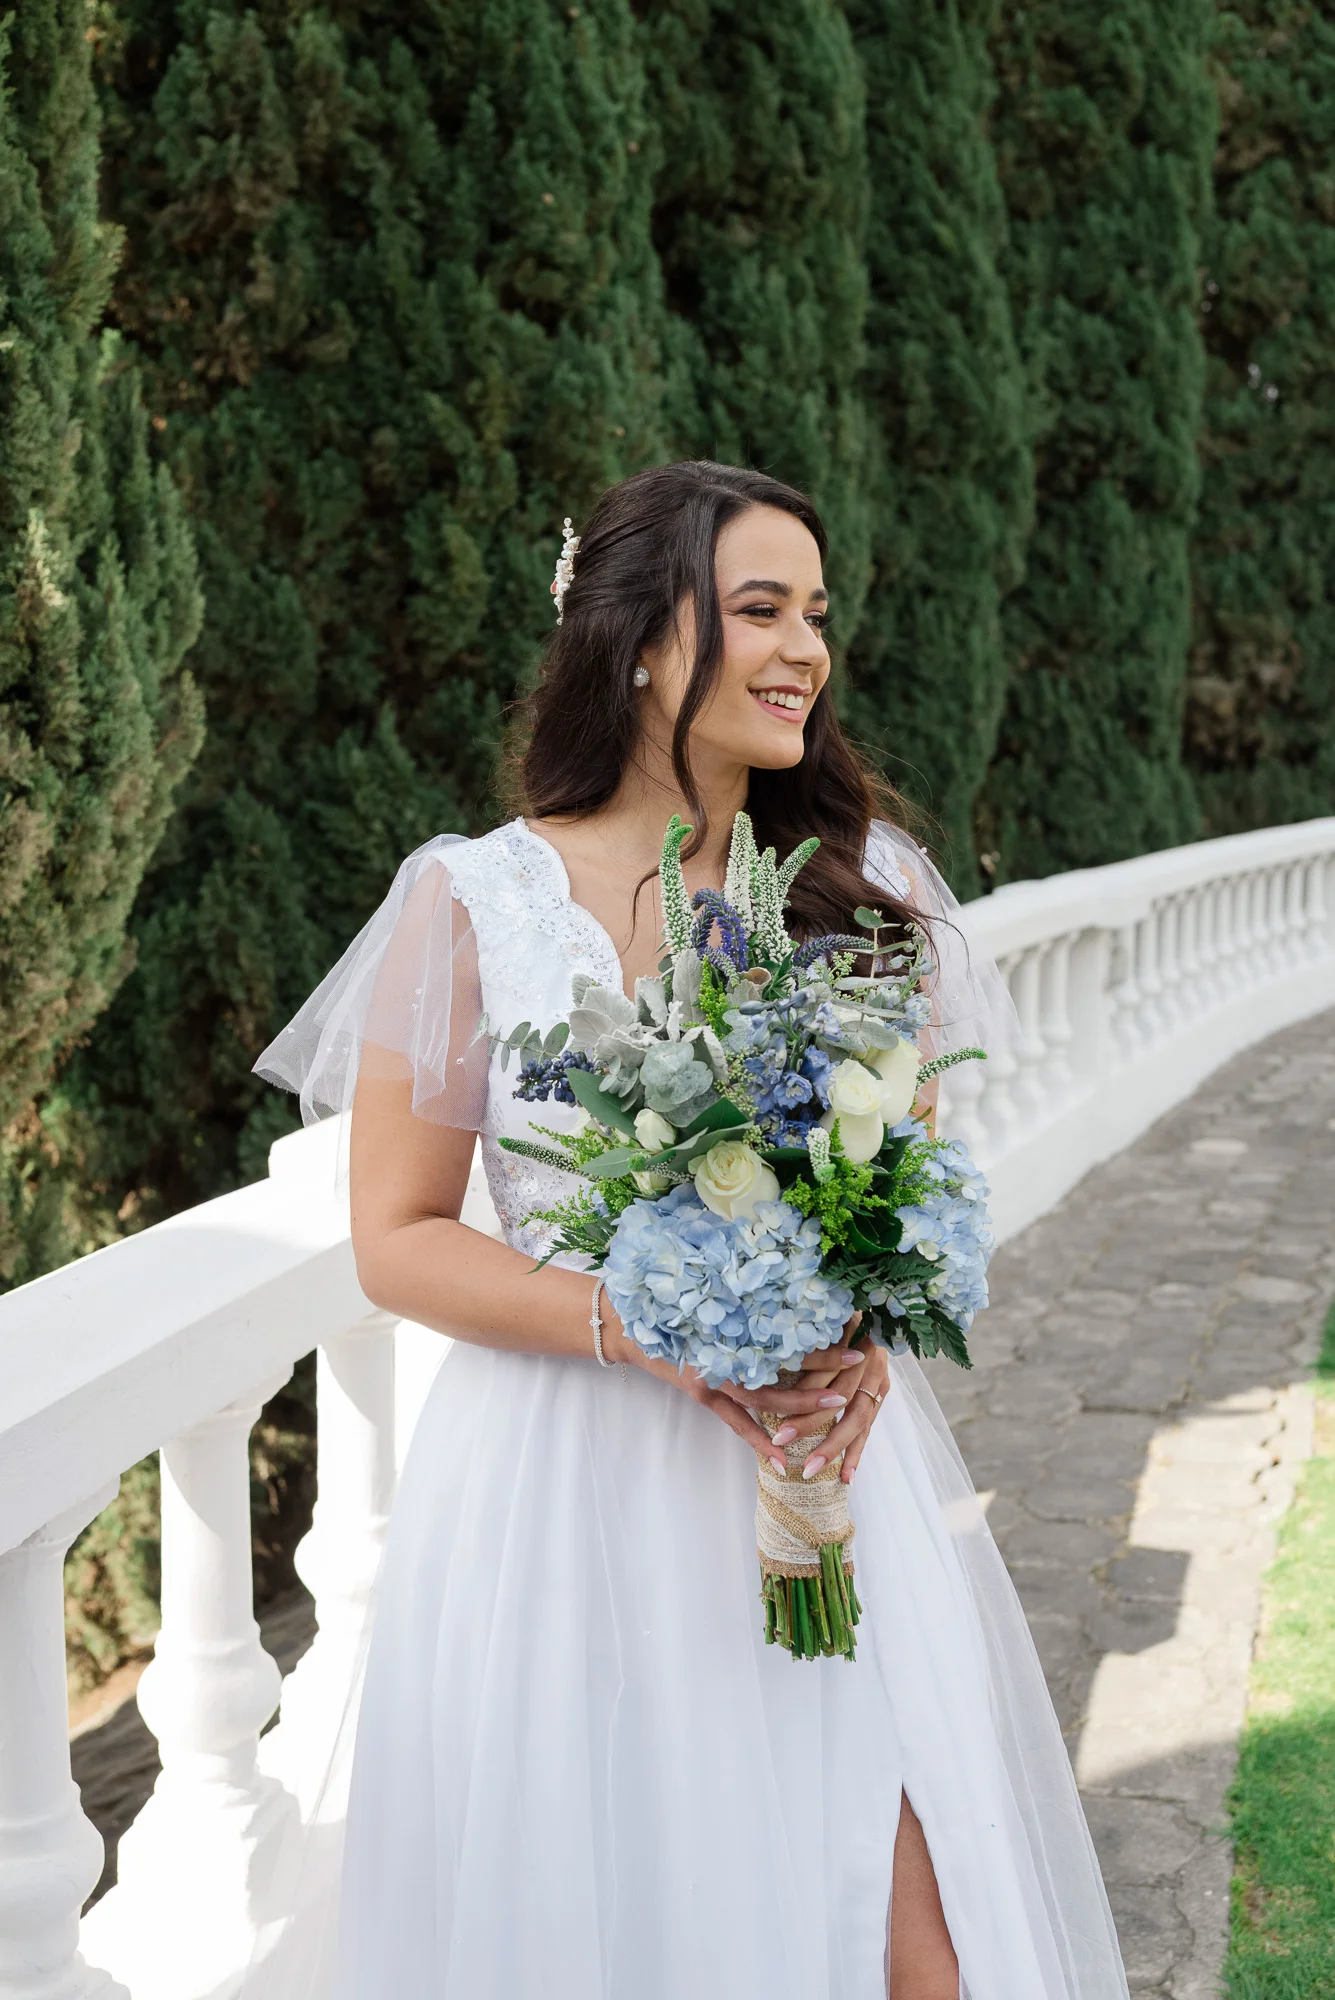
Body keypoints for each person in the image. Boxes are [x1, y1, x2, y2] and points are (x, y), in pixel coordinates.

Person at [256, 461, 1128, 1999]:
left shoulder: (863, 887)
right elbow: (395, 1236)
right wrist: (643, 1326)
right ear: (644, 641)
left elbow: (902, 1175)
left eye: (817, 613)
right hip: (566, 1491)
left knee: (914, 1946)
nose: (806, 650)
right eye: (761, 609)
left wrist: (861, 1333)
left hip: (813, 1467)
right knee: (631, 1915)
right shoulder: (472, 900)